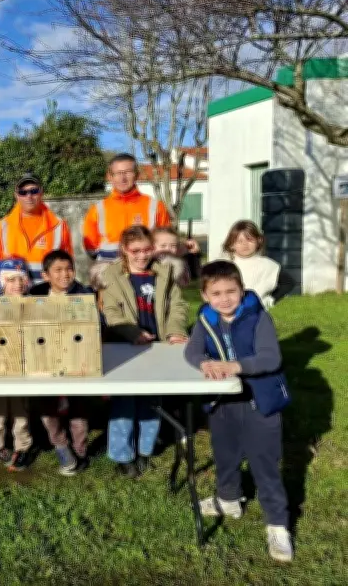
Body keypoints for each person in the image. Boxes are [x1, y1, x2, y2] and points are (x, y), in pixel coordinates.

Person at [184, 261, 292, 562]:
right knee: (225, 455)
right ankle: (229, 499)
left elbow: (270, 358)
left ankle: (278, 524)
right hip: (223, 402)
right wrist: (204, 363)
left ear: (242, 290)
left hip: (260, 402)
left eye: (231, 291)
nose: (225, 299)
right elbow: (192, 350)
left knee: (265, 464)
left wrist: (236, 366)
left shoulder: (258, 317)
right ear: (205, 295)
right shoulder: (205, 318)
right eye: (216, 293)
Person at [100, 226, 188, 478]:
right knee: (124, 404)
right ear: (124, 250)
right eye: (135, 250)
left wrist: (175, 331)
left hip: (157, 348)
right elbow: (111, 312)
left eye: (147, 249)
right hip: (126, 349)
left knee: (152, 403)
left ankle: (144, 451)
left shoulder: (164, 273)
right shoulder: (113, 276)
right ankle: (123, 455)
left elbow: (177, 306)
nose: (142, 255)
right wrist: (132, 333)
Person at [28, 250, 95, 475]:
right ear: (45, 275)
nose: (65, 274)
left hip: (77, 358)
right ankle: (60, 445)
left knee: (79, 407)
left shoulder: (84, 294)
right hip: (46, 360)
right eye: (58, 270)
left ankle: (80, 449)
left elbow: (96, 323)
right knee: (47, 406)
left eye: (69, 269)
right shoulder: (35, 295)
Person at [84, 153, 171, 286]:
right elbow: (91, 248)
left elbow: (166, 243)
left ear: (137, 174)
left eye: (128, 172)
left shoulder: (155, 206)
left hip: (146, 275)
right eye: (118, 173)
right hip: (109, 276)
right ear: (110, 177)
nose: (122, 178)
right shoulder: (97, 209)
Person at [0, 258, 35, 471]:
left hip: (22, 363)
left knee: (20, 408)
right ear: (2, 282)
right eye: (11, 280)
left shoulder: (32, 304)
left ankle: (22, 445)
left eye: (20, 280)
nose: (17, 284)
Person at [0, 173, 74, 283]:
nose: (28, 196)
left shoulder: (59, 226)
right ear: (16, 195)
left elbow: (68, 265)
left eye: (34, 191)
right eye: (23, 192)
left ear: (41, 192)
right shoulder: (1, 227)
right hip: (15, 291)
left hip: (48, 290)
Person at [221, 220, 280, 309]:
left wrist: (272, 299)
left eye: (249, 240)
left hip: (257, 309)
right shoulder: (225, 265)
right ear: (231, 244)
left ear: (259, 240)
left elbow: (288, 282)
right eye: (239, 241)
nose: (245, 244)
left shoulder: (267, 265)